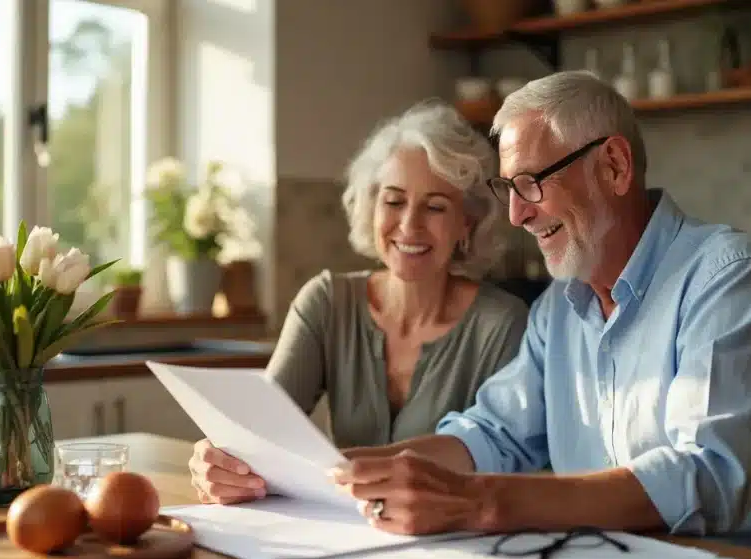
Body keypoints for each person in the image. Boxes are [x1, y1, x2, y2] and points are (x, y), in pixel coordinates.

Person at [330, 71, 751, 559]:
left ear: (613, 165)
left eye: (530, 183)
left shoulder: (730, 277)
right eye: (508, 189)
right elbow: (493, 434)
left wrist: (481, 501)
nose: (516, 216)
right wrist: (345, 471)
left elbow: (706, 475)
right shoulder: (559, 310)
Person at [188, 101, 530, 505]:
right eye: (393, 200)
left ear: (467, 224)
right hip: (340, 536)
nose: (409, 225)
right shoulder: (327, 301)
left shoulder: (503, 324)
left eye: (435, 206)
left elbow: (506, 469)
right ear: (371, 206)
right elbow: (258, 438)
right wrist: (220, 462)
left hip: (454, 542)